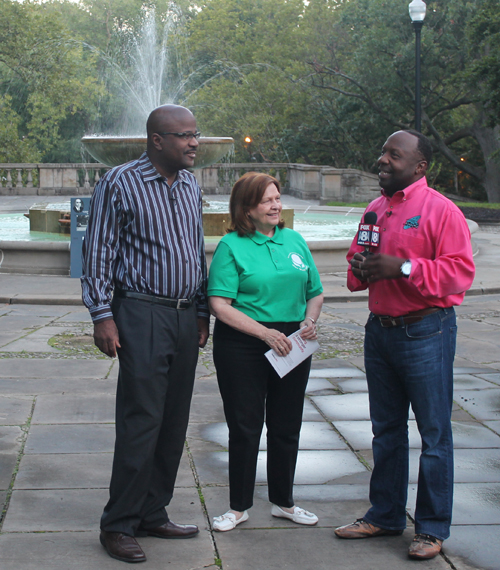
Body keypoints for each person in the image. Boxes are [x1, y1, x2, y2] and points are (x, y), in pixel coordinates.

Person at [334, 131, 475, 560]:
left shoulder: (441, 211)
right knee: (386, 430)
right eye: (382, 152)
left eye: (394, 155)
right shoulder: (374, 210)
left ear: (419, 167)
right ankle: (386, 515)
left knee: (433, 434)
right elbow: (355, 272)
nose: (383, 160)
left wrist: (404, 267)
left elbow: (458, 275)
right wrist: (362, 268)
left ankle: (430, 528)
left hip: (425, 332)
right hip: (380, 332)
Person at [81, 104, 209, 564]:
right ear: (157, 140)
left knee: (174, 420)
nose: (194, 142)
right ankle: (117, 524)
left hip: (181, 318)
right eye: (184, 135)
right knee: (142, 420)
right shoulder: (120, 182)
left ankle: (153, 511)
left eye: (195, 133)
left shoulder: (191, 183)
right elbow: (98, 253)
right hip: (139, 313)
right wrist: (102, 315)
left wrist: (200, 311)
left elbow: (194, 248)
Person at [208, 172, 324, 532]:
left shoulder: (294, 240)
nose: (276, 205)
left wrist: (309, 320)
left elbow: (315, 291)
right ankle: (238, 507)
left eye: (278, 198)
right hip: (243, 344)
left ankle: (284, 502)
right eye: (267, 200)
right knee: (245, 426)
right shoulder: (231, 246)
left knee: (286, 425)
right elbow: (219, 304)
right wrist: (264, 334)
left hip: (292, 342)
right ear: (247, 208)